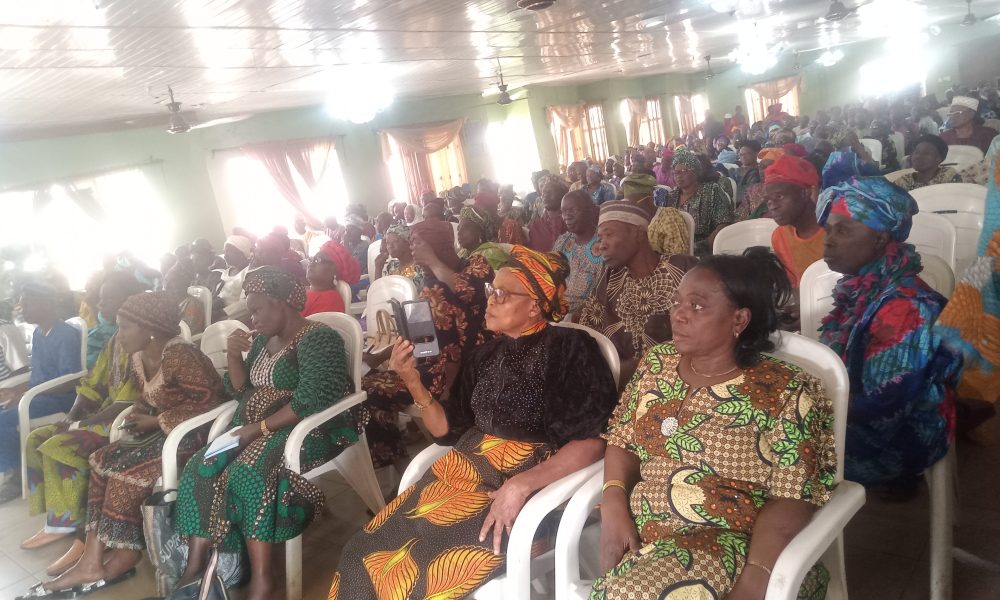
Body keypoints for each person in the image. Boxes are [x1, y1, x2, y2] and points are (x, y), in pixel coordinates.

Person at [332, 246, 618, 600]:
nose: (490, 300)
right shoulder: (485, 355)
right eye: (490, 290)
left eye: (502, 294)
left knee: (415, 575)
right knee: (360, 553)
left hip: (525, 485)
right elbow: (446, 431)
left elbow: (592, 439)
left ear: (534, 306)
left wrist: (521, 485)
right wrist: (412, 381)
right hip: (457, 475)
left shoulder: (571, 348)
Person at [591, 248, 836, 600]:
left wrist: (756, 578)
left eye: (697, 306)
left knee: (624, 594)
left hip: (733, 544)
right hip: (645, 537)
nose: (678, 315)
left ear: (739, 320)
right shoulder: (658, 362)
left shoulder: (785, 389)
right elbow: (623, 439)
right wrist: (614, 502)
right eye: (677, 302)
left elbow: (793, 495)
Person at [175, 267, 360, 600]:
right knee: (201, 465)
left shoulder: (319, 338)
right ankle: (195, 565)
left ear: (280, 301)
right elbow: (241, 390)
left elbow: (311, 400)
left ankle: (263, 578)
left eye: (258, 309)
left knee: (247, 473)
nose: (253, 319)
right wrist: (234, 355)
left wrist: (256, 429)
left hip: (308, 428)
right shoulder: (262, 340)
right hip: (252, 426)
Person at [33, 292, 224, 597]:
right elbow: (146, 397)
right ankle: (92, 559)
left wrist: (157, 421)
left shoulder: (181, 355)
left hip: (193, 435)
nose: (118, 335)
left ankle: (124, 555)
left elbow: (210, 402)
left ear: (150, 330)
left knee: (125, 473)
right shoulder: (138, 357)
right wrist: (140, 413)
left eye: (125, 327)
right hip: (162, 432)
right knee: (101, 461)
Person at [816, 177, 961, 493]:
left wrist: (803, 409)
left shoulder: (905, 307)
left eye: (843, 231)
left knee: (773, 450)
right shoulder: (862, 287)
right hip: (857, 412)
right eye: (829, 230)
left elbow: (883, 407)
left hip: (903, 434)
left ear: (880, 238)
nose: (828, 241)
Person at [21, 273, 145, 576]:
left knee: (60, 444)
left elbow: (127, 402)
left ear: (129, 301)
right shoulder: (114, 341)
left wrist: (81, 425)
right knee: (36, 438)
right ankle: (59, 519)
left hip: (123, 422)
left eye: (108, 298)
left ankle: (73, 523)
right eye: (101, 298)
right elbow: (92, 385)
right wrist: (71, 416)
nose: (100, 304)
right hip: (102, 414)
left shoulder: (141, 343)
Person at [362, 219, 493, 469]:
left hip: (468, 372)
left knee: (372, 391)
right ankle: (396, 461)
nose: (412, 248)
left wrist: (433, 260)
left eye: (417, 242)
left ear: (439, 244)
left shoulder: (477, 264)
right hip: (428, 367)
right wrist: (384, 355)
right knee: (364, 389)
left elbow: (470, 291)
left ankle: (418, 455)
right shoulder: (428, 282)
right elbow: (418, 335)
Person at [580, 200, 697, 384]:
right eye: (600, 238)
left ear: (639, 233)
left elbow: (705, 335)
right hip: (617, 380)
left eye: (609, 235)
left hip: (675, 380)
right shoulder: (610, 276)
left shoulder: (683, 269)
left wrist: (636, 369)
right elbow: (589, 329)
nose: (602, 245)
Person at [0, 280, 81, 503]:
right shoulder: (38, 333)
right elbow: (37, 375)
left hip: (60, 399)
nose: (21, 308)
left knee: (3, 419)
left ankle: (15, 477)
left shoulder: (65, 335)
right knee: (5, 410)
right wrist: (17, 391)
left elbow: (71, 379)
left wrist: (27, 396)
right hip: (39, 396)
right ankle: (13, 467)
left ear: (45, 304)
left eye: (26, 304)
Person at [654, 149, 734, 255]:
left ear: (695, 173)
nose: (679, 175)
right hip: (674, 251)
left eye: (684, 171)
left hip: (705, 250)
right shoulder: (671, 196)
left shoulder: (711, 191)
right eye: (676, 172)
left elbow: (724, 223)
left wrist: (699, 247)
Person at [766, 155, 824, 287]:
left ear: (806, 192)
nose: (773, 206)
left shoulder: (837, 230)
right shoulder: (780, 237)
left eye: (779, 196)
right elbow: (796, 286)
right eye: (768, 200)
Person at [553, 190, 602, 314]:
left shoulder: (604, 245)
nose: (566, 216)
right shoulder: (563, 241)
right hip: (557, 311)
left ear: (591, 211)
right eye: (563, 211)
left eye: (573, 210)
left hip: (589, 315)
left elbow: (605, 292)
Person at [302, 240, 361, 316]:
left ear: (334, 271)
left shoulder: (329, 301)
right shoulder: (305, 292)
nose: (311, 264)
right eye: (311, 260)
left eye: (318, 260)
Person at [895, 134, 963, 191]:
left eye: (926, 153)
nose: (918, 156)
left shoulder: (947, 176)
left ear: (939, 158)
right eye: (916, 152)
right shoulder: (903, 182)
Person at [376, 223, 427, 291]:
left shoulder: (420, 267)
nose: (390, 246)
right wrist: (378, 269)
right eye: (388, 243)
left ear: (407, 242)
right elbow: (380, 293)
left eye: (395, 241)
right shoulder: (392, 266)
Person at [457, 205, 509, 270]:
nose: (459, 233)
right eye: (458, 229)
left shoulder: (491, 255)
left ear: (480, 232)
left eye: (465, 227)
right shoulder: (463, 252)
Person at [163, 263, 205, 335]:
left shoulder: (193, 304)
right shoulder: (174, 302)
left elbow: (189, 330)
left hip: (189, 339)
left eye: (173, 283)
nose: (168, 287)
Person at [528, 178, 569, 252]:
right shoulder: (536, 227)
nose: (545, 195)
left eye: (550, 192)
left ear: (562, 195)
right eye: (543, 192)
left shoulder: (572, 223)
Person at [217, 235, 252, 316]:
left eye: (229, 251)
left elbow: (244, 303)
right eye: (224, 251)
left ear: (241, 253)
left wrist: (222, 313)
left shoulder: (249, 272)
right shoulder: (227, 272)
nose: (225, 255)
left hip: (234, 315)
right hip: (220, 310)